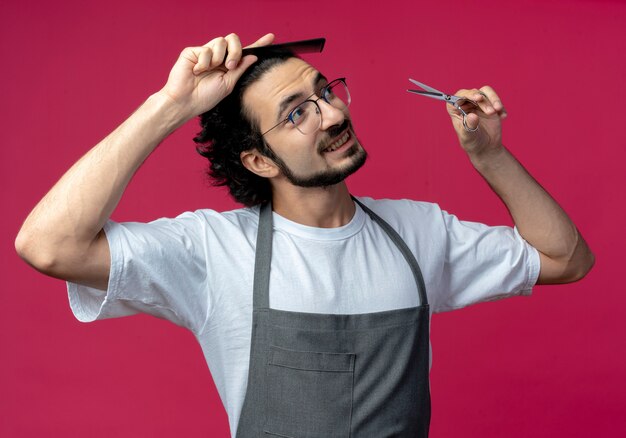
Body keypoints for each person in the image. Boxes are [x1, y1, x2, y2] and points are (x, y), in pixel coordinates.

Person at [15, 33, 594, 437]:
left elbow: (566, 257)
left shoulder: (419, 234)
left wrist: (489, 156)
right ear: (259, 161)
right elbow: (49, 245)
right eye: (296, 113)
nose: (334, 115)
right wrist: (170, 105)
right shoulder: (214, 253)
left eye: (325, 91)